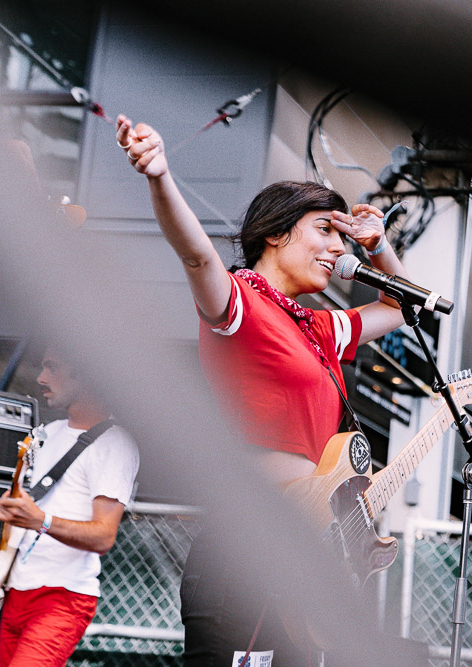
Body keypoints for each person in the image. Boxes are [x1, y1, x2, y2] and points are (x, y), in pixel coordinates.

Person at [116, 113, 411, 664]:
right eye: (325, 229)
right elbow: (197, 255)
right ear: (276, 234)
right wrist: (159, 175)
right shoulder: (239, 306)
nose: (334, 245)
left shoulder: (319, 326)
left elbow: (400, 304)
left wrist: (376, 248)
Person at [0, 347, 140, 666]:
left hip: (63, 599)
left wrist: (41, 520)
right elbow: (25, 512)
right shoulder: (47, 434)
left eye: (52, 368)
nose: (40, 378)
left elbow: (103, 536)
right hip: (15, 590)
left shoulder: (115, 444)